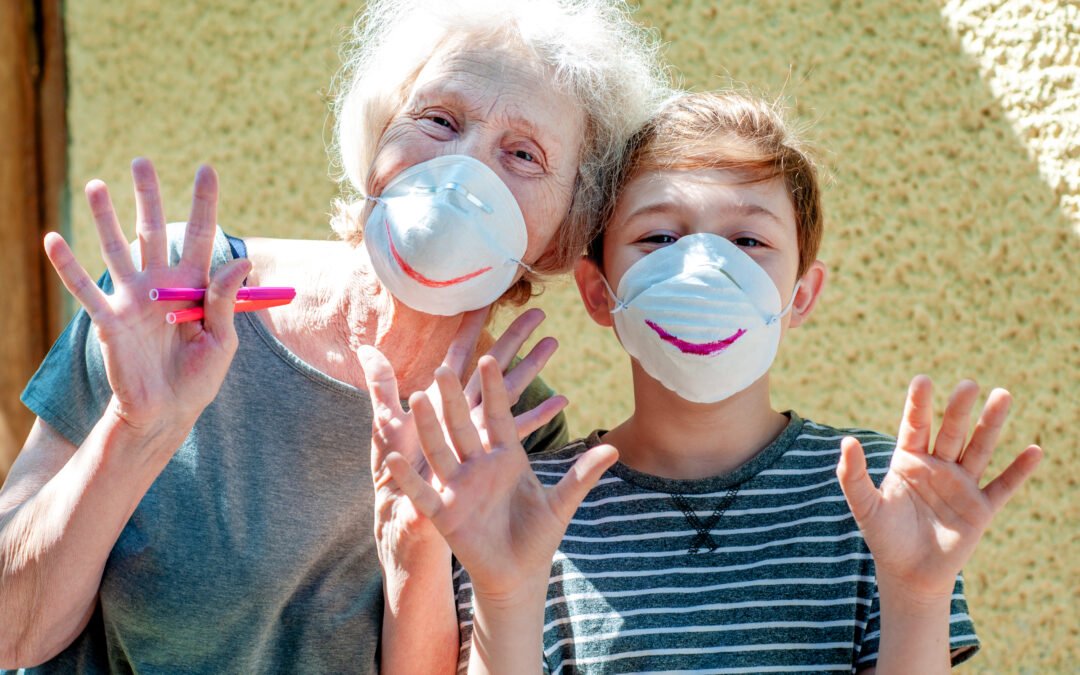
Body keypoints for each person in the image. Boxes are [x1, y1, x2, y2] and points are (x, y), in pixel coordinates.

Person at [0, 0, 668, 671]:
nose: (465, 173)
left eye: (522, 154)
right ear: (379, 135)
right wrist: (134, 429)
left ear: (565, 229)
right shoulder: (181, 296)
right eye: (438, 120)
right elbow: (12, 630)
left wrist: (416, 556)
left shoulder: (510, 432)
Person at [379, 91, 1045, 673]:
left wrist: (919, 593)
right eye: (660, 236)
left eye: (749, 241)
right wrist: (504, 592)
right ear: (599, 291)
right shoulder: (523, 501)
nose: (703, 264)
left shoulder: (881, 490)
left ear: (802, 294)